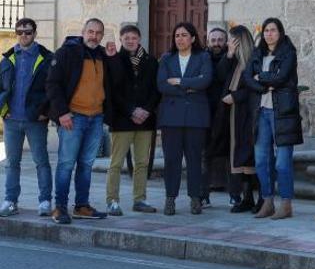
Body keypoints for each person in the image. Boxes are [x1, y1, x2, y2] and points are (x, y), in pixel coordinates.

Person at [46, 18, 116, 224]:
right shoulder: (66, 52)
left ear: (102, 35)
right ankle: (59, 208)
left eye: (98, 33)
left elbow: (116, 82)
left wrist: (113, 59)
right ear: (83, 32)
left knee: (86, 165)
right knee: (66, 164)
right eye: (91, 31)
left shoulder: (103, 55)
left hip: (96, 119)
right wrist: (62, 113)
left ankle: (81, 206)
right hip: (72, 118)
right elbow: (52, 84)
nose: (94, 36)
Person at [245, 18, 303, 220]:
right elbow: (247, 79)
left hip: (283, 113)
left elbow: (282, 78)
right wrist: (263, 85)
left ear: (280, 33)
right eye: (266, 30)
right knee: (261, 160)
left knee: (282, 163)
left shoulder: (289, 53)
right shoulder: (257, 53)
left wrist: (260, 78)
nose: (269, 34)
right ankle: (268, 202)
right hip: (261, 112)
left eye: (273, 30)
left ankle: (286, 204)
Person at [157, 22, 213, 216]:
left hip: (196, 118)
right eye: (177, 35)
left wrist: (180, 82)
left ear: (193, 38)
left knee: (195, 160)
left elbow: (205, 80)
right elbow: (162, 85)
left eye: (184, 35)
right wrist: (190, 88)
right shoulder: (166, 58)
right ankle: (170, 199)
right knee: (171, 160)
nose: (180, 38)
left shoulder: (203, 57)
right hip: (171, 117)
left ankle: (195, 198)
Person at [0, 18, 53, 218]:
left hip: (35, 121)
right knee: (12, 163)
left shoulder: (47, 58)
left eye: (28, 32)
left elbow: (53, 88)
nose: (24, 36)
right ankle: (10, 201)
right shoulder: (8, 59)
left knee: (41, 161)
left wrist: (45, 112)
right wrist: (3, 111)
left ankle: (45, 201)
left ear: (35, 33)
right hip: (12, 121)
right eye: (20, 32)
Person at [105, 25, 160, 215]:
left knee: (142, 163)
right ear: (121, 39)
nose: (130, 41)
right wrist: (131, 111)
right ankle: (112, 200)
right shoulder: (114, 59)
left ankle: (140, 200)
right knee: (116, 163)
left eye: (134, 37)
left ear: (139, 39)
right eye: (126, 37)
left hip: (146, 120)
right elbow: (113, 90)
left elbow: (156, 89)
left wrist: (147, 110)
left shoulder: (151, 61)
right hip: (122, 120)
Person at [220, 25, 260, 213]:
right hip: (234, 115)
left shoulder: (254, 60)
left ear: (238, 41)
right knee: (239, 155)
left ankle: (261, 199)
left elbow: (256, 87)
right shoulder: (234, 61)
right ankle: (247, 198)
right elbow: (219, 77)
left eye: (230, 40)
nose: (228, 43)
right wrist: (228, 55)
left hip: (249, 114)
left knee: (250, 154)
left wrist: (235, 97)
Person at [202, 28, 231, 207]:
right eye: (213, 40)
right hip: (205, 113)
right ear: (207, 41)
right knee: (204, 155)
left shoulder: (232, 59)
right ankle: (203, 195)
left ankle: (234, 195)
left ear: (226, 42)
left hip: (227, 112)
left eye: (220, 40)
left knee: (230, 155)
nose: (217, 43)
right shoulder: (201, 59)